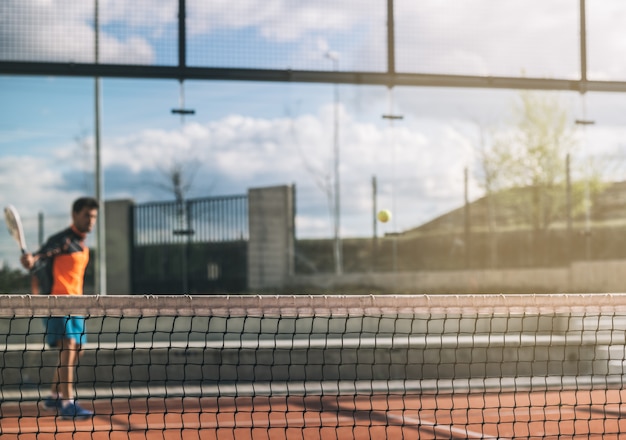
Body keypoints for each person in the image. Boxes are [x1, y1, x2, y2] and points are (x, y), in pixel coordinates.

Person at [20, 197, 99, 420]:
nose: (91, 220)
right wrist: (31, 260)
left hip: (77, 304)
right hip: (57, 303)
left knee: (77, 351)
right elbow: (42, 255)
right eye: (87, 215)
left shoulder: (82, 245)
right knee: (68, 347)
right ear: (74, 214)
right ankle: (67, 404)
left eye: (93, 216)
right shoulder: (62, 240)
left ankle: (54, 396)